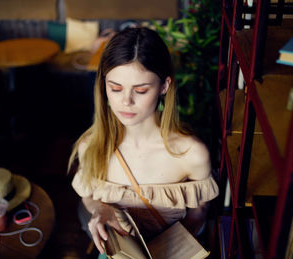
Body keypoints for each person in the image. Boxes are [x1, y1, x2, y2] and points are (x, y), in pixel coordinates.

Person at [69, 27, 219, 256]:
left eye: (140, 90)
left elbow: (198, 213)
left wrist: (164, 251)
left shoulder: (192, 154)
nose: (126, 101)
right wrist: (101, 209)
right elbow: (87, 196)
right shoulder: (91, 145)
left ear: (164, 86)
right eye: (115, 88)